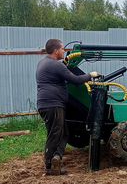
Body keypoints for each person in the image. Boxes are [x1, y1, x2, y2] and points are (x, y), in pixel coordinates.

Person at [36, 39, 99, 175]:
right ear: (56, 50)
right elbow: (75, 80)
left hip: (47, 104)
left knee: (64, 133)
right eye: (63, 49)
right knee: (54, 134)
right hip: (52, 105)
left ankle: (56, 159)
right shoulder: (56, 65)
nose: (64, 52)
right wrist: (90, 75)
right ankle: (49, 167)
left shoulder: (44, 63)